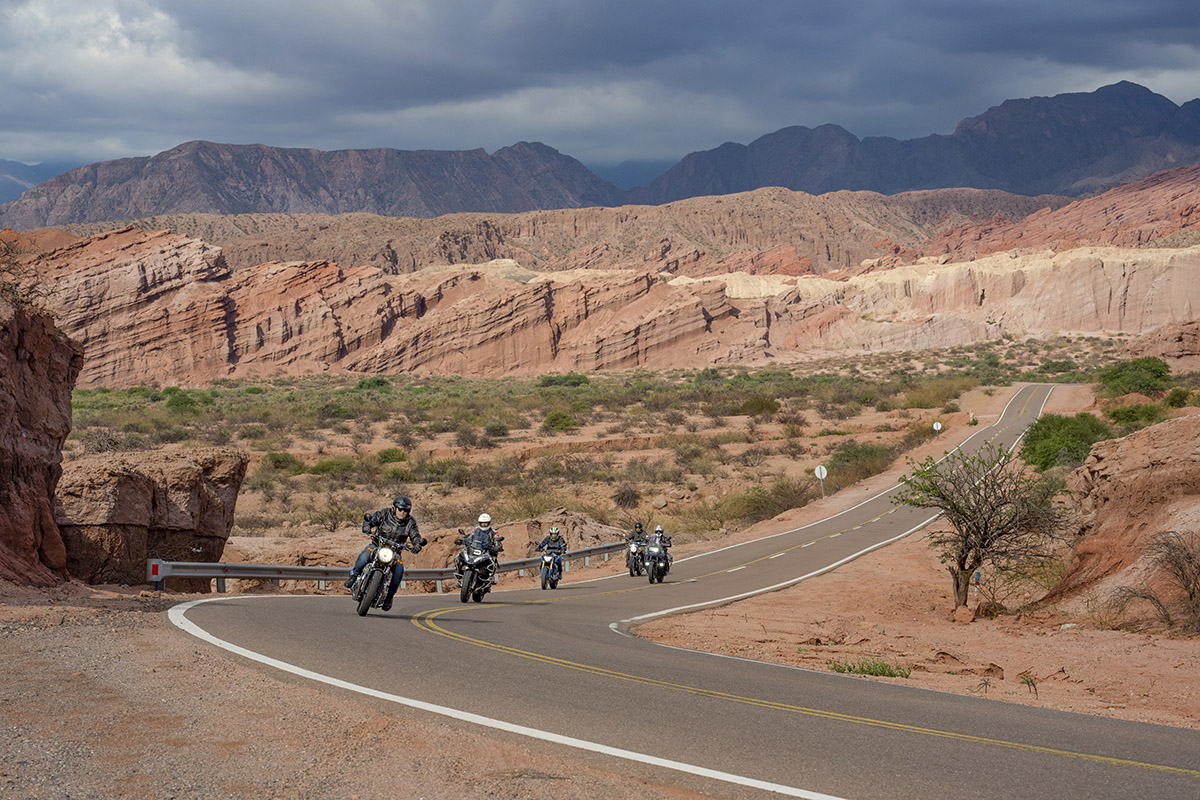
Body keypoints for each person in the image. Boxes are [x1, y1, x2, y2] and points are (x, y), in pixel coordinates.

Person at [345, 495, 426, 612]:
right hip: (377, 545)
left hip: (395, 552)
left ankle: (389, 597)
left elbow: (415, 535)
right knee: (364, 556)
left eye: (406, 510)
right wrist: (367, 527)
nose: (403, 512)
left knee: (399, 570)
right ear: (394, 508)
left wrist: (417, 545)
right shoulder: (384, 514)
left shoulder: (410, 522)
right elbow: (370, 520)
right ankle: (353, 576)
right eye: (400, 509)